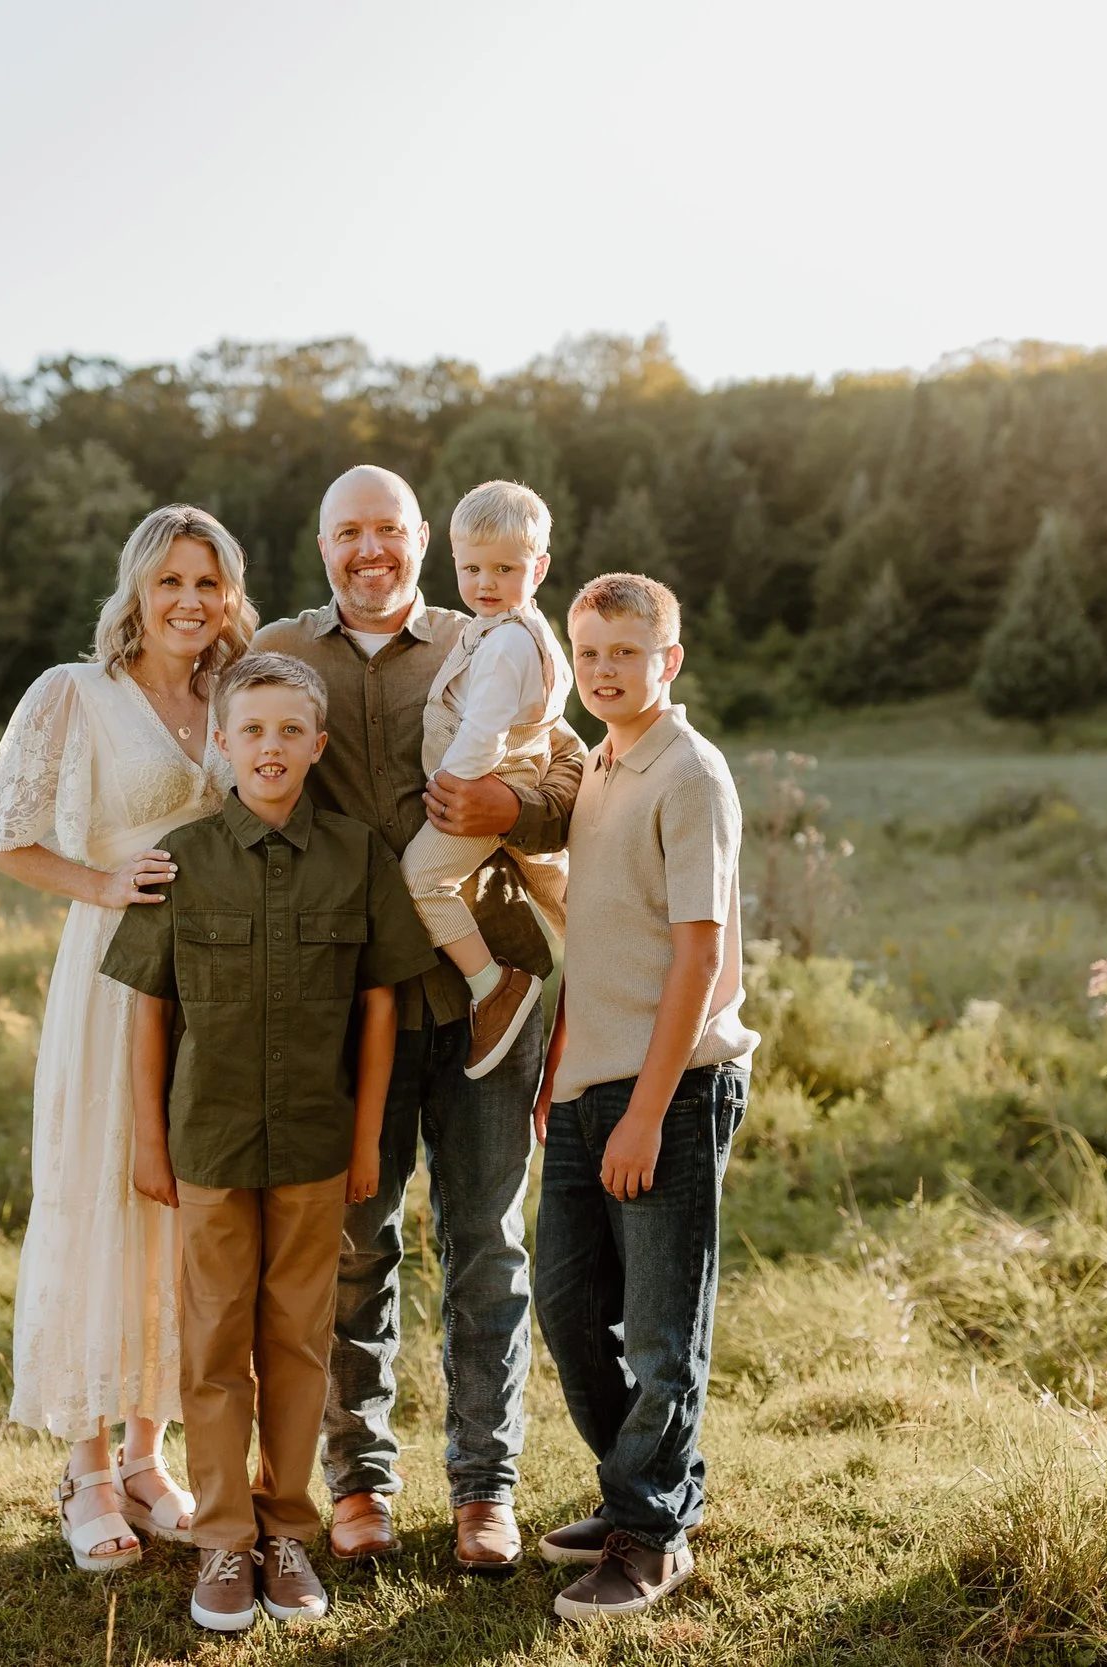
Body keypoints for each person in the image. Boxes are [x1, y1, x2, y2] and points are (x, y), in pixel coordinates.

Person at [252, 464, 583, 1575]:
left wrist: (511, 803)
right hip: (353, 1001)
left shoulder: (483, 635)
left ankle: (485, 1487)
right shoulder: (283, 648)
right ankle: (360, 1480)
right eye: (348, 531)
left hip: (489, 989)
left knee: (486, 1241)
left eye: (388, 530)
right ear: (320, 542)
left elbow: (571, 770)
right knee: (357, 1240)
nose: (370, 550)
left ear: (421, 541)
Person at [102, 653, 437, 1633]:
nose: (270, 746)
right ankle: (221, 1542)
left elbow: (379, 1007)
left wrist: (367, 1134)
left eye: (290, 730)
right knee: (211, 1346)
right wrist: (148, 1140)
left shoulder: (357, 854)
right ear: (223, 741)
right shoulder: (184, 856)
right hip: (206, 1142)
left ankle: (285, 1530)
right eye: (250, 729)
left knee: (296, 1341)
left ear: (317, 744)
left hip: (316, 1141)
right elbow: (147, 1014)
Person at [0, 504, 257, 1572]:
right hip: (109, 976)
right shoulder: (72, 692)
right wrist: (99, 880)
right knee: (97, 1191)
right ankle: (85, 1469)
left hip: (218, 985)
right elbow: (0, 836)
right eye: (172, 581)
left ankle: (149, 1456)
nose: (190, 601)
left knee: (186, 1207)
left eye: (209, 582)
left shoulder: (236, 694)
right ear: (136, 590)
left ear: (231, 593)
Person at [530, 572, 761, 1621]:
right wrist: (560, 1063)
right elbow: (592, 922)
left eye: (628, 650)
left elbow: (697, 955)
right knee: (570, 1302)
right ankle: (650, 1485)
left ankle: (651, 1531)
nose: (606, 669)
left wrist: (643, 1108)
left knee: (663, 1327)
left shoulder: (689, 773)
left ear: (668, 659)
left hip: (667, 1083)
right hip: (586, 1078)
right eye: (590, 653)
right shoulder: (600, 766)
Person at [397, 479, 574, 1079]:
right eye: (473, 568)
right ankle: (623, 964)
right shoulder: (524, 633)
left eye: (505, 568)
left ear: (539, 568)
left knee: (422, 877)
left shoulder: (504, 647)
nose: (486, 584)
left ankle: (493, 986)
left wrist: (450, 790)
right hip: (516, 778)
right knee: (563, 896)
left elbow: (484, 736)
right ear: (453, 561)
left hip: (484, 788)